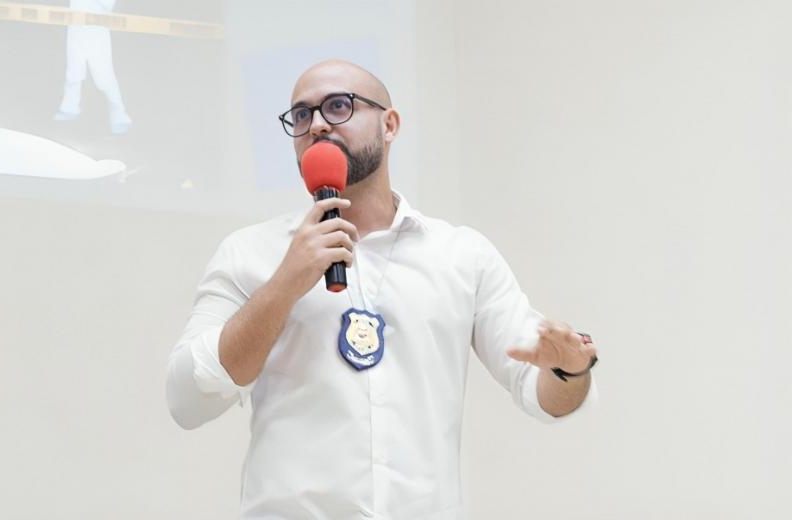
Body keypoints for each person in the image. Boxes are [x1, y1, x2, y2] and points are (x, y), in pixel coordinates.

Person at [166, 59, 599, 520]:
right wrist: (284, 285)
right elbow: (186, 400)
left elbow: (541, 393)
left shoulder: (462, 255)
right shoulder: (249, 252)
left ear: (389, 125)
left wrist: (568, 371)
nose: (317, 125)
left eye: (338, 106)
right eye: (301, 115)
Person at [53, 0, 132, 135]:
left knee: (103, 73)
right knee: (74, 68)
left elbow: (107, 5)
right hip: (76, 23)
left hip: (96, 26)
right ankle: (69, 107)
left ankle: (119, 114)